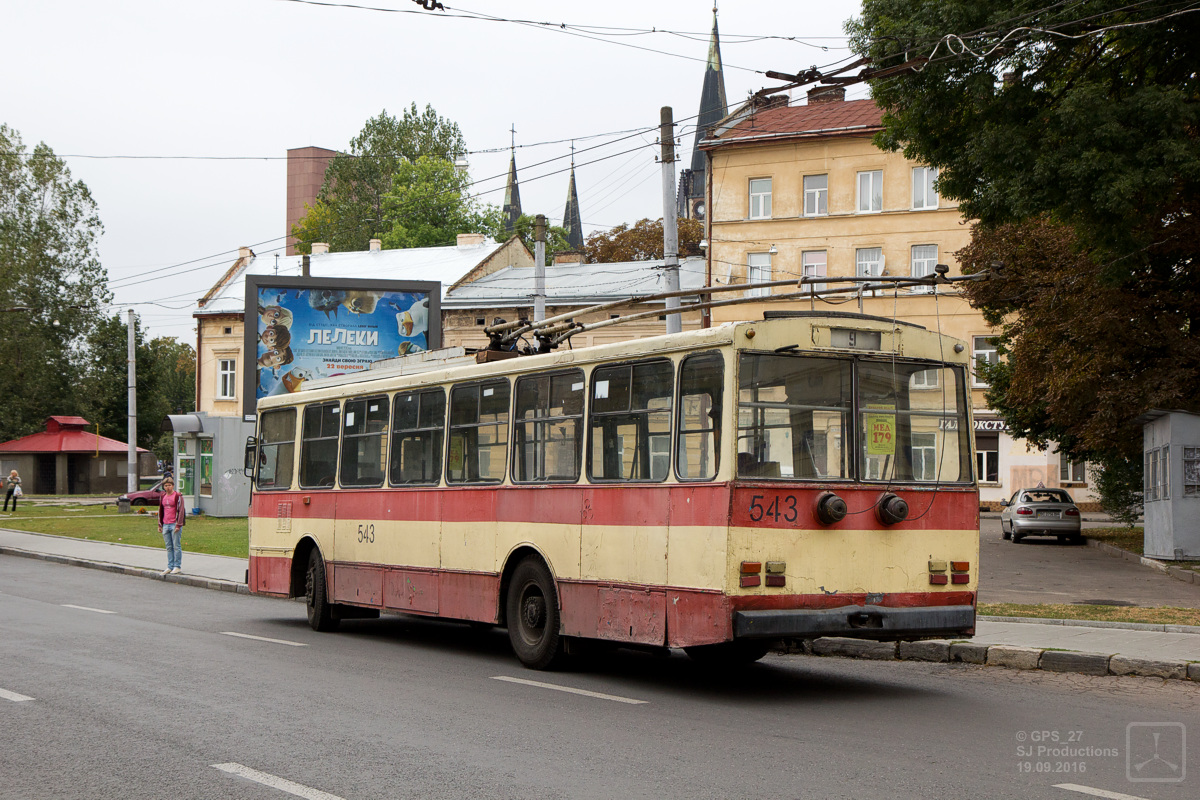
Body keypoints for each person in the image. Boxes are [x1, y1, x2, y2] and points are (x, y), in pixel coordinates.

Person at [157, 476, 186, 575]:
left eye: (169, 485)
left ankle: (177, 566)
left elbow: (181, 511)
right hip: (165, 524)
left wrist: (179, 524)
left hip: (174, 524)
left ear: (173, 486)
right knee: (169, 546)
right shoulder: (163, 497)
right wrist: (160, 524)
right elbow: (160, 510)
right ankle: (170, 566)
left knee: (176, 546)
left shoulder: (178, 496)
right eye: (165, 485)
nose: (168, 487)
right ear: (163, 487)